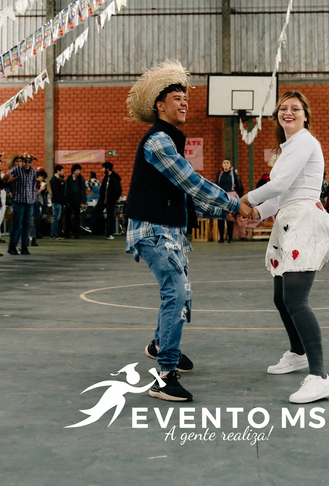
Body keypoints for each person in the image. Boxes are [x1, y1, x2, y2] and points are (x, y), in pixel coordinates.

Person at [122, 60, 253, 402]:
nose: (184, 103)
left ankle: (160, 344)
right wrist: (233, 203)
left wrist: (228, 213)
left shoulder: (171, 141)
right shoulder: (158, 141)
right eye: (176, 98)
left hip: (170, 232)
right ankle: (165, 376)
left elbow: (186, 198)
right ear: (159, 106)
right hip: (153, 231)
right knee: (176, 292)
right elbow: (191, 182)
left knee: (181, 292)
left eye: (185, 99)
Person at [240, 91, 329, 403]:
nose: (288, 112)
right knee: (281, 297)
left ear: (305, 115)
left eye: (295, 108)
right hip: (288, 219)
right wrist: (256, 213)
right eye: (283, 108)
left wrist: (244, 199)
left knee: (296, 299)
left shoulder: (304, 141)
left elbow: (278, 185)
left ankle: (319, 377)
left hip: (304, 221)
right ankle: (298, 353)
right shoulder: (289, 147)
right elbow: (280, 195)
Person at [5, 154, 39, 254]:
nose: (27, 164)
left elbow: (33, 185)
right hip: (18, 201)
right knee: (17, 224)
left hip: (29, 201)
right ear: (22, 161)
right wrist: (9, 192)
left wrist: (33, 195)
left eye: (29, 162)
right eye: (25, 161)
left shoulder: (33, 171)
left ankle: (24, 247)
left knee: (26, 225)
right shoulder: (15, 170)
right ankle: (12, 247)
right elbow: (6, 181)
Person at [215, 159, 243, 243]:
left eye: (227, 163)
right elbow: (216, 184)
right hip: (221, 196)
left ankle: (230, 237)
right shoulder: (220, 174)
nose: (226, 164)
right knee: (221, 216)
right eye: (224, 163)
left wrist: (234, 193)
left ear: (230, 165)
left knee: (230, 217)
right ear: (222, 164)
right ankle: (221, 238)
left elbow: (238, 185)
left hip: (230, 195)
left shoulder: (233, 174)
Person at [97, 161, 123, 240]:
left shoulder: (114, 177)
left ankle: (110, 233)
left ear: (107, 169)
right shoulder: (106, 177)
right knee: (98, 212)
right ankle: (106, 232)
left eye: (103, 168)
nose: (102, 170)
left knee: (110, 217)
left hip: (111, 200)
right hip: (104, 200)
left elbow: (118, 189)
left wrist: (115, 198)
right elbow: (103, 188)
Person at [65, 164, 87, 239]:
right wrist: (66, 200)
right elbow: (66, 189)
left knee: (77, 218)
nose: (79, 171)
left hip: (77, 201)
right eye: (77, 170)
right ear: (73, 171)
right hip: (69, 201)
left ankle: (76, 234)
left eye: (79, 170)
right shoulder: (69, 178)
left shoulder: (81, 179)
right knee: (67, 217)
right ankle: (67, 233)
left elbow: (83, 190)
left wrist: (83, 201)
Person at [49, 164, 66, 238]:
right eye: (62, 171)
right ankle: (54, 234)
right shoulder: (54, 180)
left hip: (59, 201)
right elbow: (56, 192)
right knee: (56, 218)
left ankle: (57, 233)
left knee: (58, 218)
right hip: (56, 201)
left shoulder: (59, 180)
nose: (63, 172)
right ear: (58, 171)